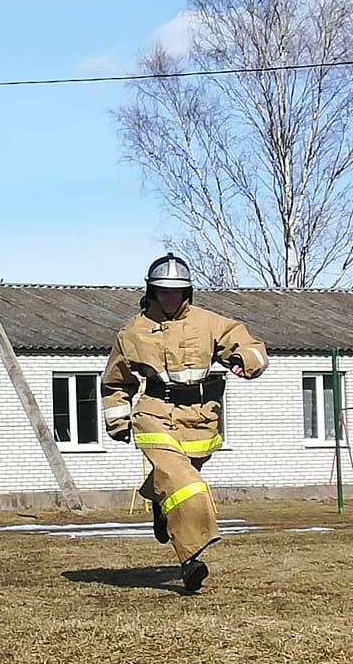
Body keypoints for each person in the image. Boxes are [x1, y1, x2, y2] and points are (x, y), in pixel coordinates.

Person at [101, 252, 267, 593]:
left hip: (201, 418)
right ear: (151, 291)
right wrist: (118, 421)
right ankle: (190, 560)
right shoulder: (132, 332)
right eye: (163, 291)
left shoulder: (209, 322)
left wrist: (243, 359)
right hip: (154, 414)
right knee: (187, 486)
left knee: (177, 482)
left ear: (187, 292)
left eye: (176, 291)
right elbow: (115, 382)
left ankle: (161, 504)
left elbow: (252, 346)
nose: (170, 297)